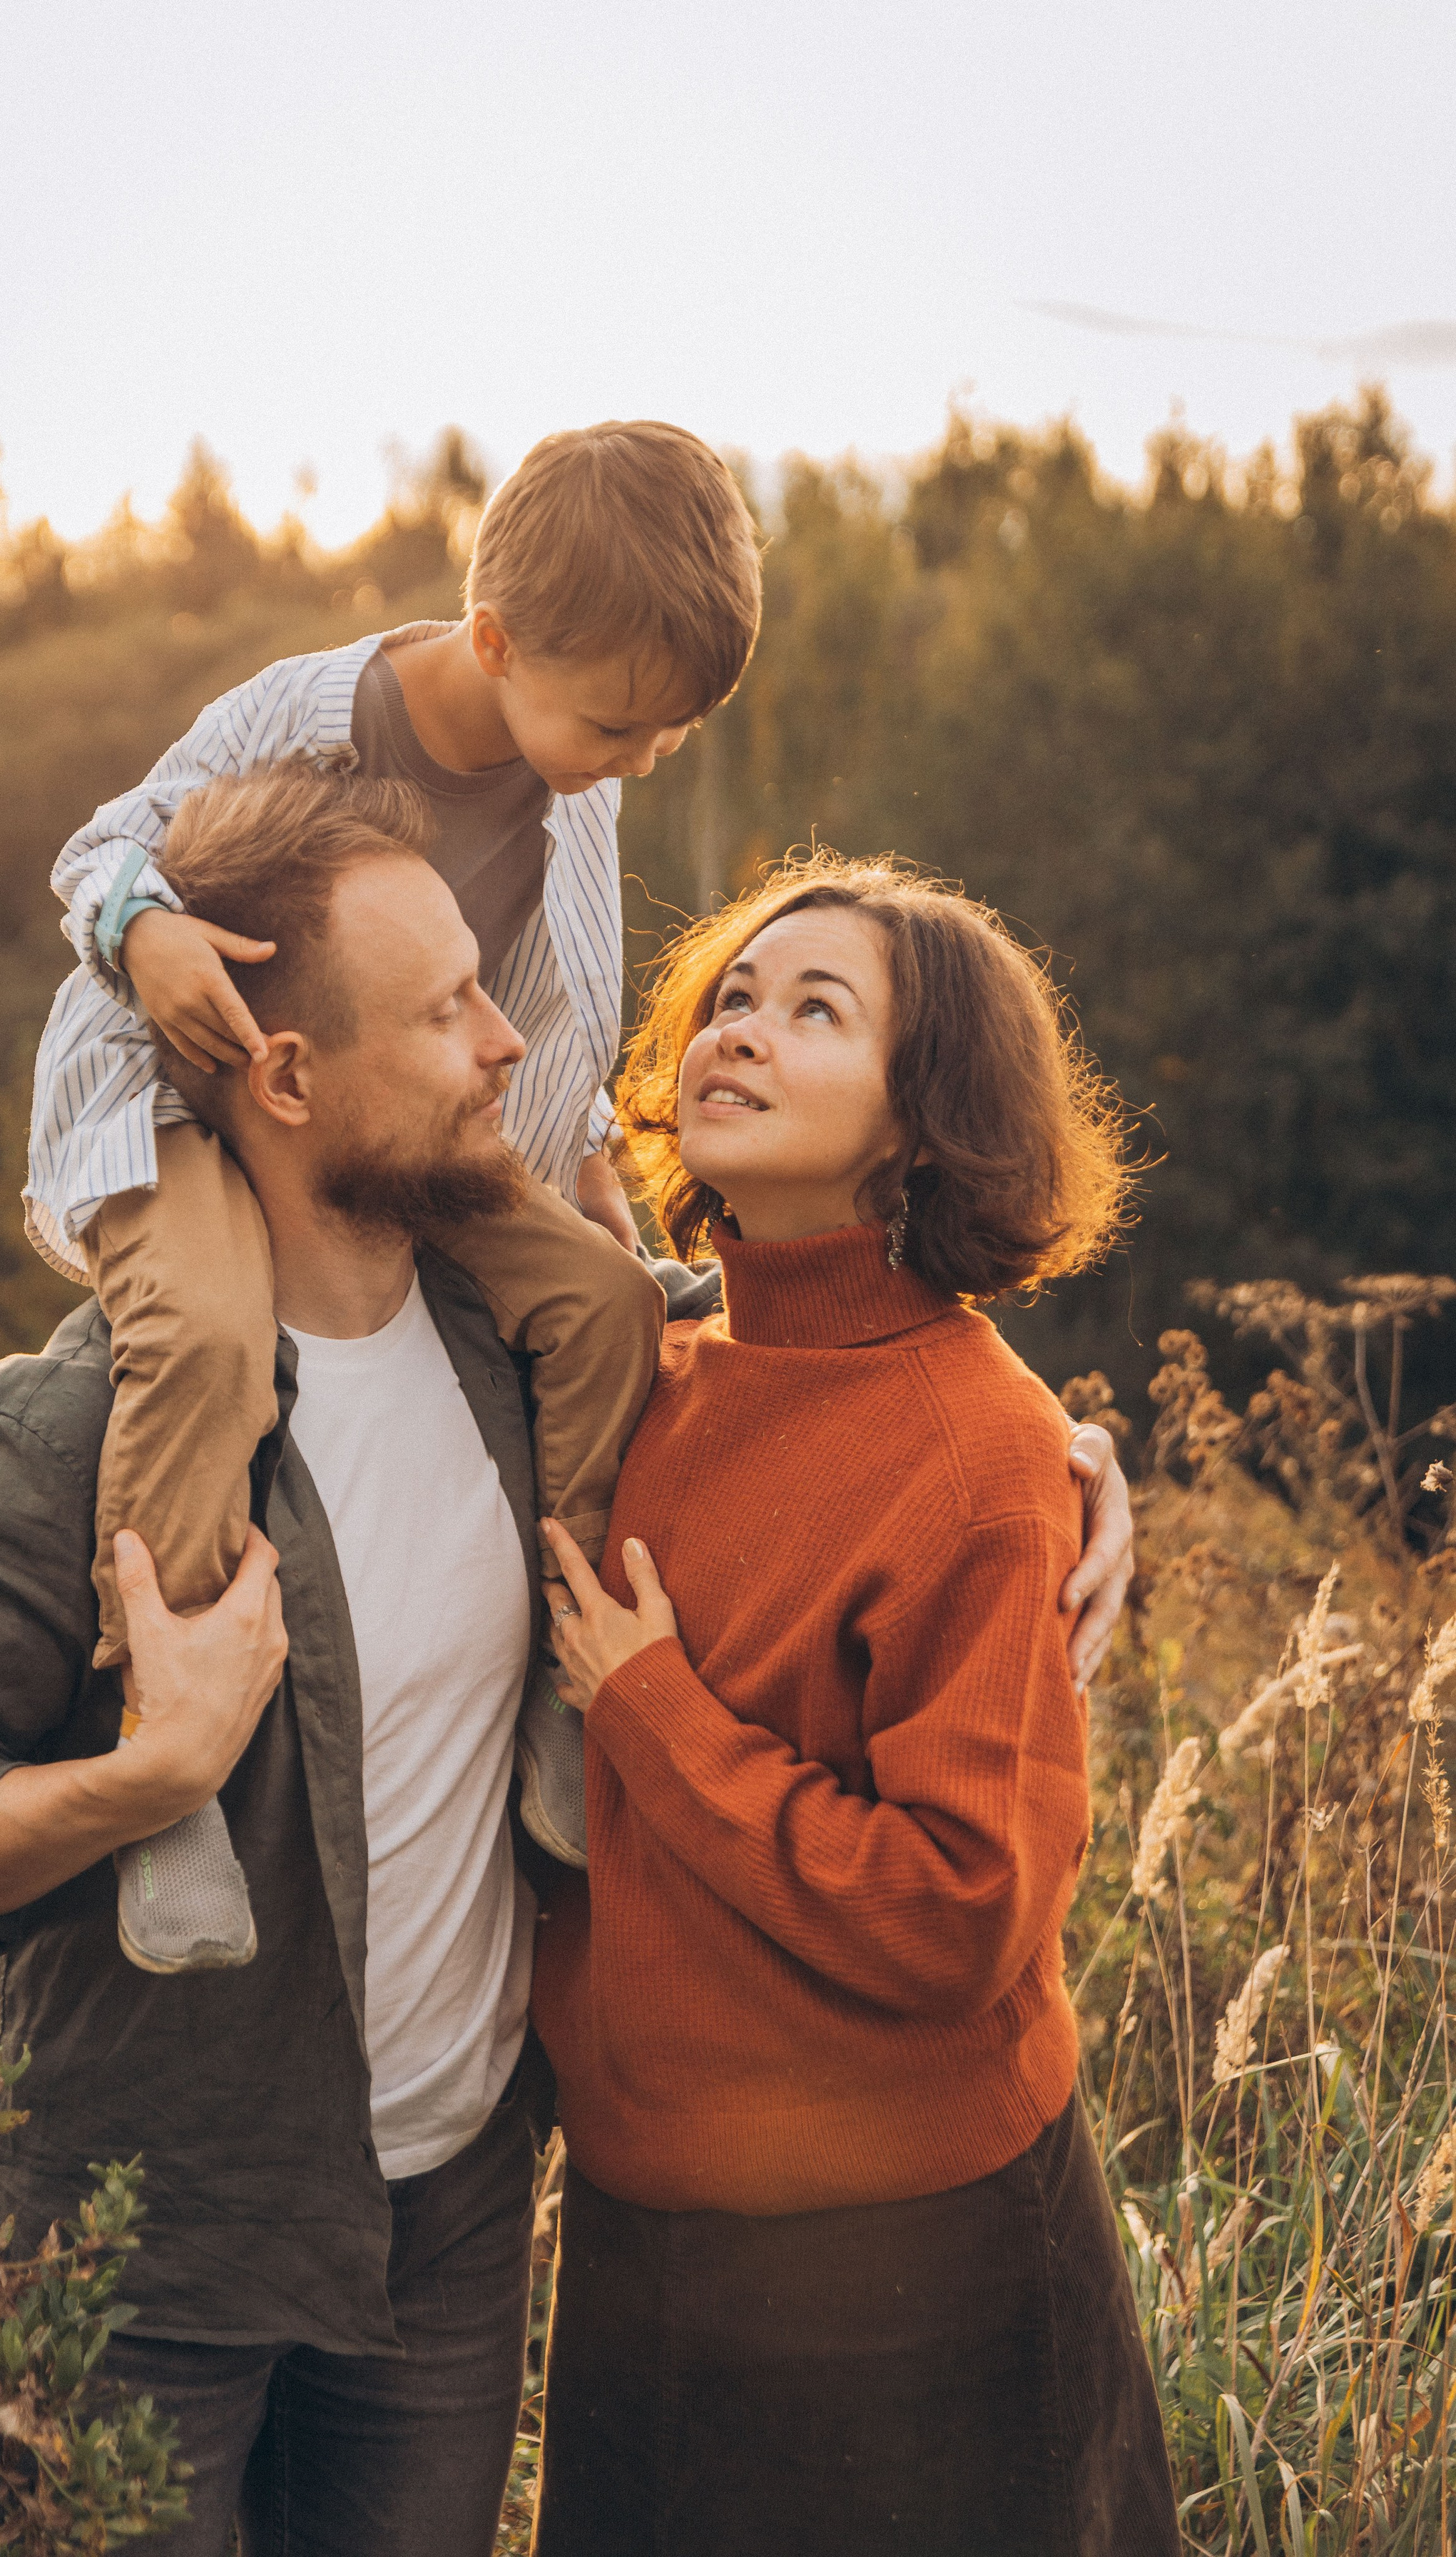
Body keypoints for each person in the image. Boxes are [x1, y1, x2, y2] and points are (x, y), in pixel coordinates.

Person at [0, 770, 569, 2557]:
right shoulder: (65, 1435)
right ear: (284, 1077)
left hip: (445, 2235)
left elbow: (796, 1371)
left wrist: (1051, 1461)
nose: (506, 1042)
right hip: (138, 2260)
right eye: (444, 1010)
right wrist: (149, 1777)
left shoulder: (516, 1357)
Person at [26, 420, 759, 1972]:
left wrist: (585, 1177)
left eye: (670, 735)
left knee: (603, 1301)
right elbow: (100, 845)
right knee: (205, 1338)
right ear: (493, 643)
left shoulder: (574, 778)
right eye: (621, 725)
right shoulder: (303, 717)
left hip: (405, 1110)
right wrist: (146, 932)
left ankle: (561, 1685)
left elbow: (546, 1006)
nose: (641, 759)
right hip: (188, 1094)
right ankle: (168, 1740)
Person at [529, 853, 1181, 2557]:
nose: (738, 1031)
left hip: (911, 2260)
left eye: (814, 1010)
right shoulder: (653, 1374)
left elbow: (960, 1908)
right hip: (645, 2232)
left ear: (921, 1121)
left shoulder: (979, 1457)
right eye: (732, 996)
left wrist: (653, 1713)